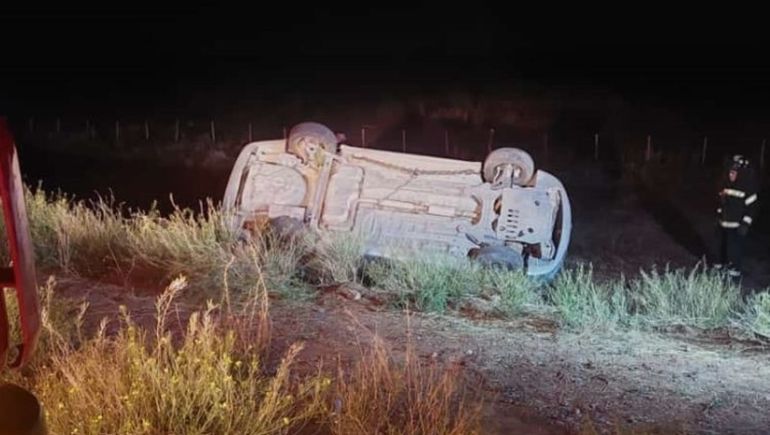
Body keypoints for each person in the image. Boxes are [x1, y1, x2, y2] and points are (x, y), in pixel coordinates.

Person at [715, 154, 758, 279]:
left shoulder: (748, 187)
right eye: (730, 172)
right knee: (721, 246)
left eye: (734, 173)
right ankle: (721, 266)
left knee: (735, 249)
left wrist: (745, 223)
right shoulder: (725, 184)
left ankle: (734, 270)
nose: (731, 175)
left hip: (737, 225)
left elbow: (752, 208)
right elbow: (721, 203)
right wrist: (719, 214)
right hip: (723, 223)